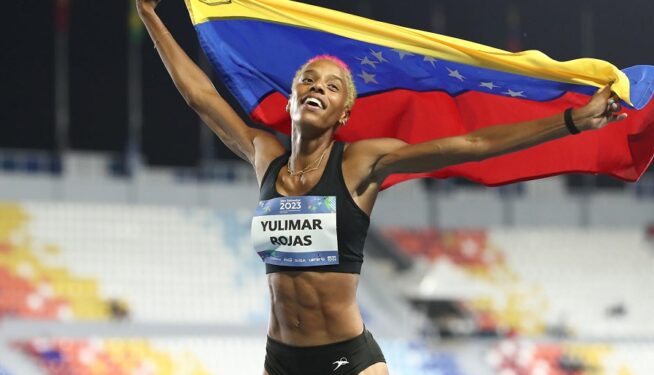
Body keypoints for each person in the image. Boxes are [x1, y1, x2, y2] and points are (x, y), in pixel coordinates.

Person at [136, 1, 626, 374]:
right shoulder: (265, 155)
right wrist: (150, 15)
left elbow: (471, 143)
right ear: (289, 100)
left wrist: (571, 121)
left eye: (331, 87)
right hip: (279, 358)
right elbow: (202, 96)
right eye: (307, 80)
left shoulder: (360, 163)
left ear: (344, 114)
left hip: (347, 359)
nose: (316, 88)